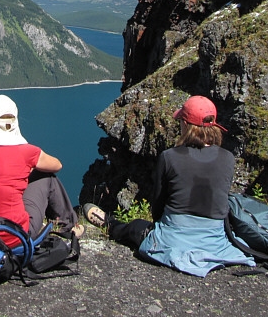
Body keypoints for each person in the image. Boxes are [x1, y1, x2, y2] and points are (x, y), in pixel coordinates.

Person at [82, 95, 255, 277]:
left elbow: (158, 206)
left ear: (187, 125)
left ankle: (108, 224)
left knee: (135, 228)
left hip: (175, 239)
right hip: (215, 242)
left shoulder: (170, 157)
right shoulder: (227, 158)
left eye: (181, 120)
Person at [0, 94, 82, 244]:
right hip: (14, 237)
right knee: (47, 177)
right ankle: (69, 226)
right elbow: (57, 165)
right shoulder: (26, 152)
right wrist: (27, 169)